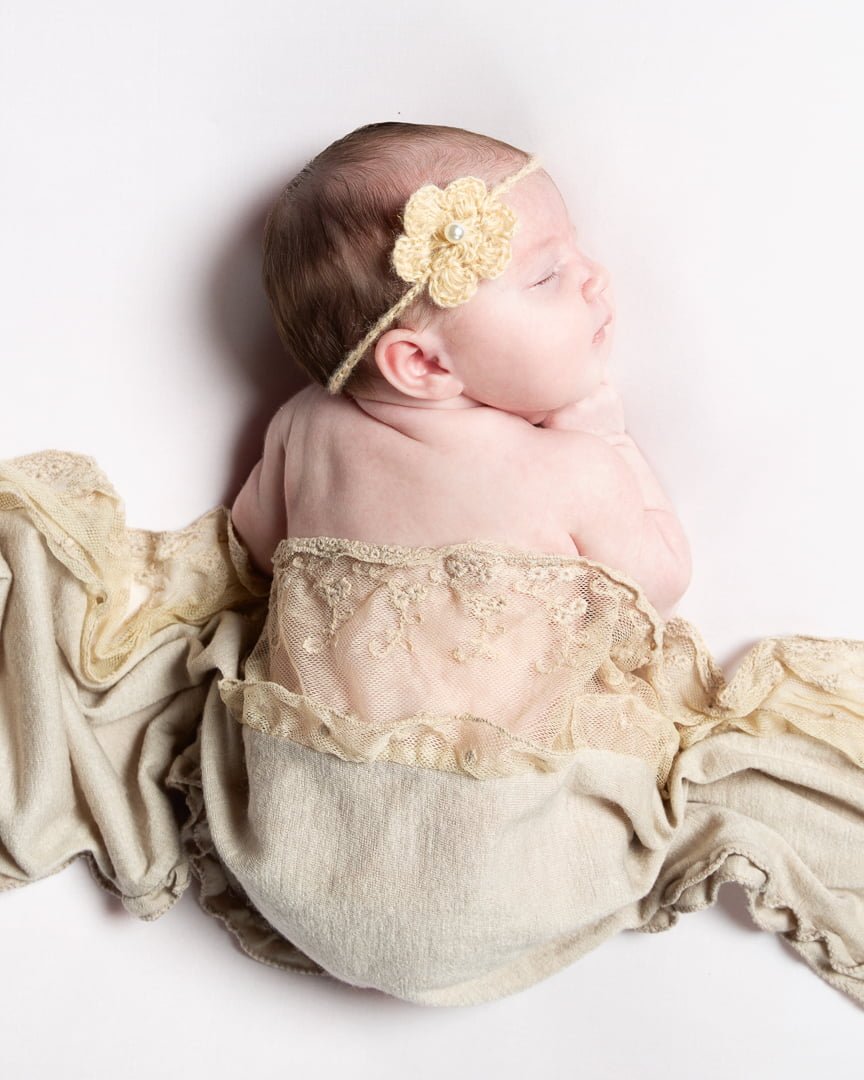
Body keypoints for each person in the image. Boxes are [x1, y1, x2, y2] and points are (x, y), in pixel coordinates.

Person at [230, 121, 691, 621]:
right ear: (423, 363)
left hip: (304, 700)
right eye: (546, 277)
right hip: (505, 704)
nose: (594, 277)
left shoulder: (302, 426)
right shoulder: (574, 471)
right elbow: (661, 586)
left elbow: (255, 548)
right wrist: (613, 441)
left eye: (574, 249)